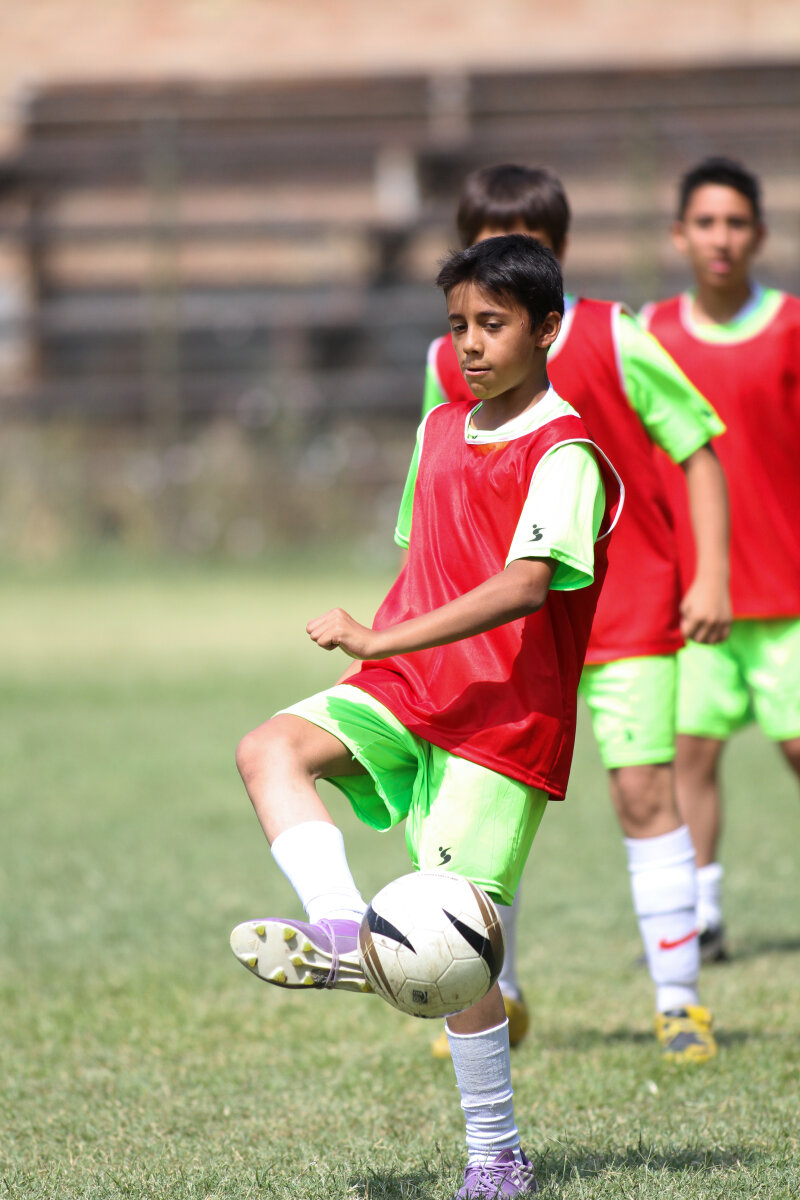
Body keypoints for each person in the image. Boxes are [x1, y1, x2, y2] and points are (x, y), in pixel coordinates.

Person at [230, 234, 620, 1199]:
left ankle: (497, 1156)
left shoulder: (567, 452)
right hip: (407, 686)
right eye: (457, 325)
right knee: (270, 749)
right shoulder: (439, 428)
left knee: (455, 941)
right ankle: (338, 930)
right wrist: (390, 649)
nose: (470, 344)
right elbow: (431, 560)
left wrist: (380, 636)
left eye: (492, 323)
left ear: (547, 328)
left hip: (504, 717)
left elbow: (524, 585)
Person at [421, 165, 730, 1064]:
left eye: (527, 247)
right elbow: (442, 490)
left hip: (626, 609)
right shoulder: (450, 359)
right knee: (486, 807)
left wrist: (709, 574)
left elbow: (696, 446)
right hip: (508, 629)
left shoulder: (616, 334)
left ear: (556, 257)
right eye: (487, 248)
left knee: (643, 793)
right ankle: (495, 993)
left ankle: (679, 1001)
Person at [641, 156, 800, 960]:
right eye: (705, 222)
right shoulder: (652, 332)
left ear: (759, 235)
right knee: (692, 753)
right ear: (679, 235)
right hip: (698, 594)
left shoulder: (791, 325)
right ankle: (702, 917)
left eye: (736, 223)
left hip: (789, 592)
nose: (721, 238)